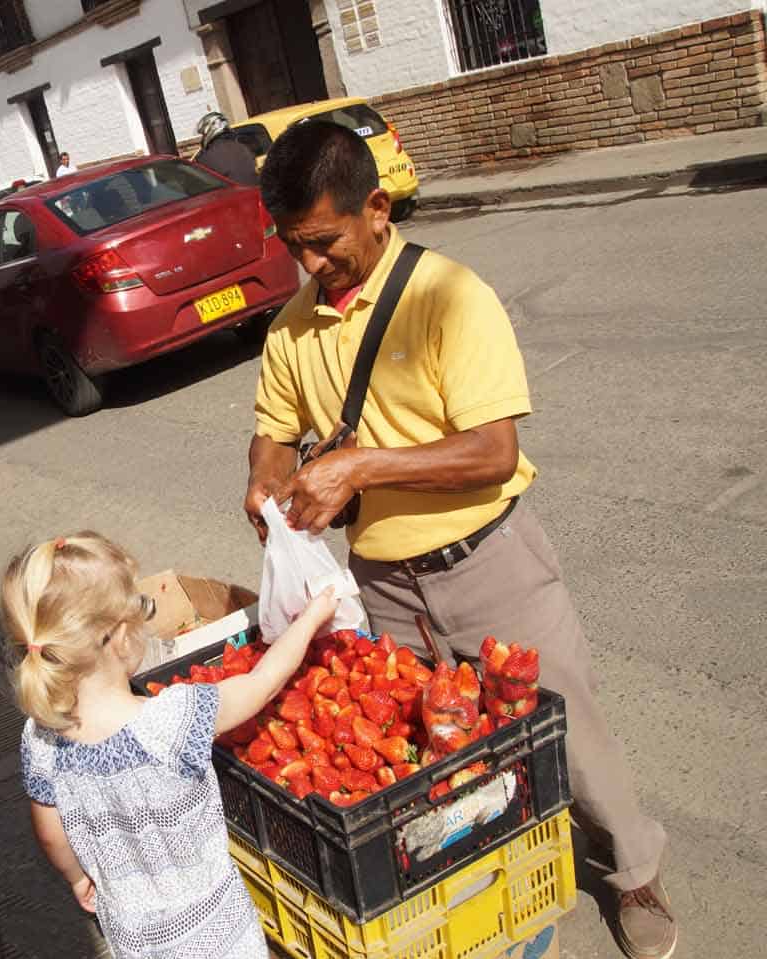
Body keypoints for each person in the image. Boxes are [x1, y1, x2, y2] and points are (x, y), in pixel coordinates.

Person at [242, 120, 674, 959]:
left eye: (325, 242)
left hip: (491, 563)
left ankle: (635, 870)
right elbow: (272, 426)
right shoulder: (291, 328)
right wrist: (263, 477)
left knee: (571, 736)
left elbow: (492, 451)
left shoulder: (449, 294)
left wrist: (362, 467)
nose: (311, 264)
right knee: (434, 757)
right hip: (388, 586)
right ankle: (488, 880)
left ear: (376, 207)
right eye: (296, 246)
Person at [9, 531, 339, 959]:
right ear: (122, 635)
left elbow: (50, 833)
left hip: (131, 933)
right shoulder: (170, 720)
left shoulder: (39, 739)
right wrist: (309, 621)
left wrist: (76, 876)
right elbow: (259, 684)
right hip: (216, 930)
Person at [194, 111, 259, 186]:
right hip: (254, 193)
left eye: (203, 135)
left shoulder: (207, 156)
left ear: (209, 131)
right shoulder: (242, 147)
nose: (202, 138)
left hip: (233, 196)